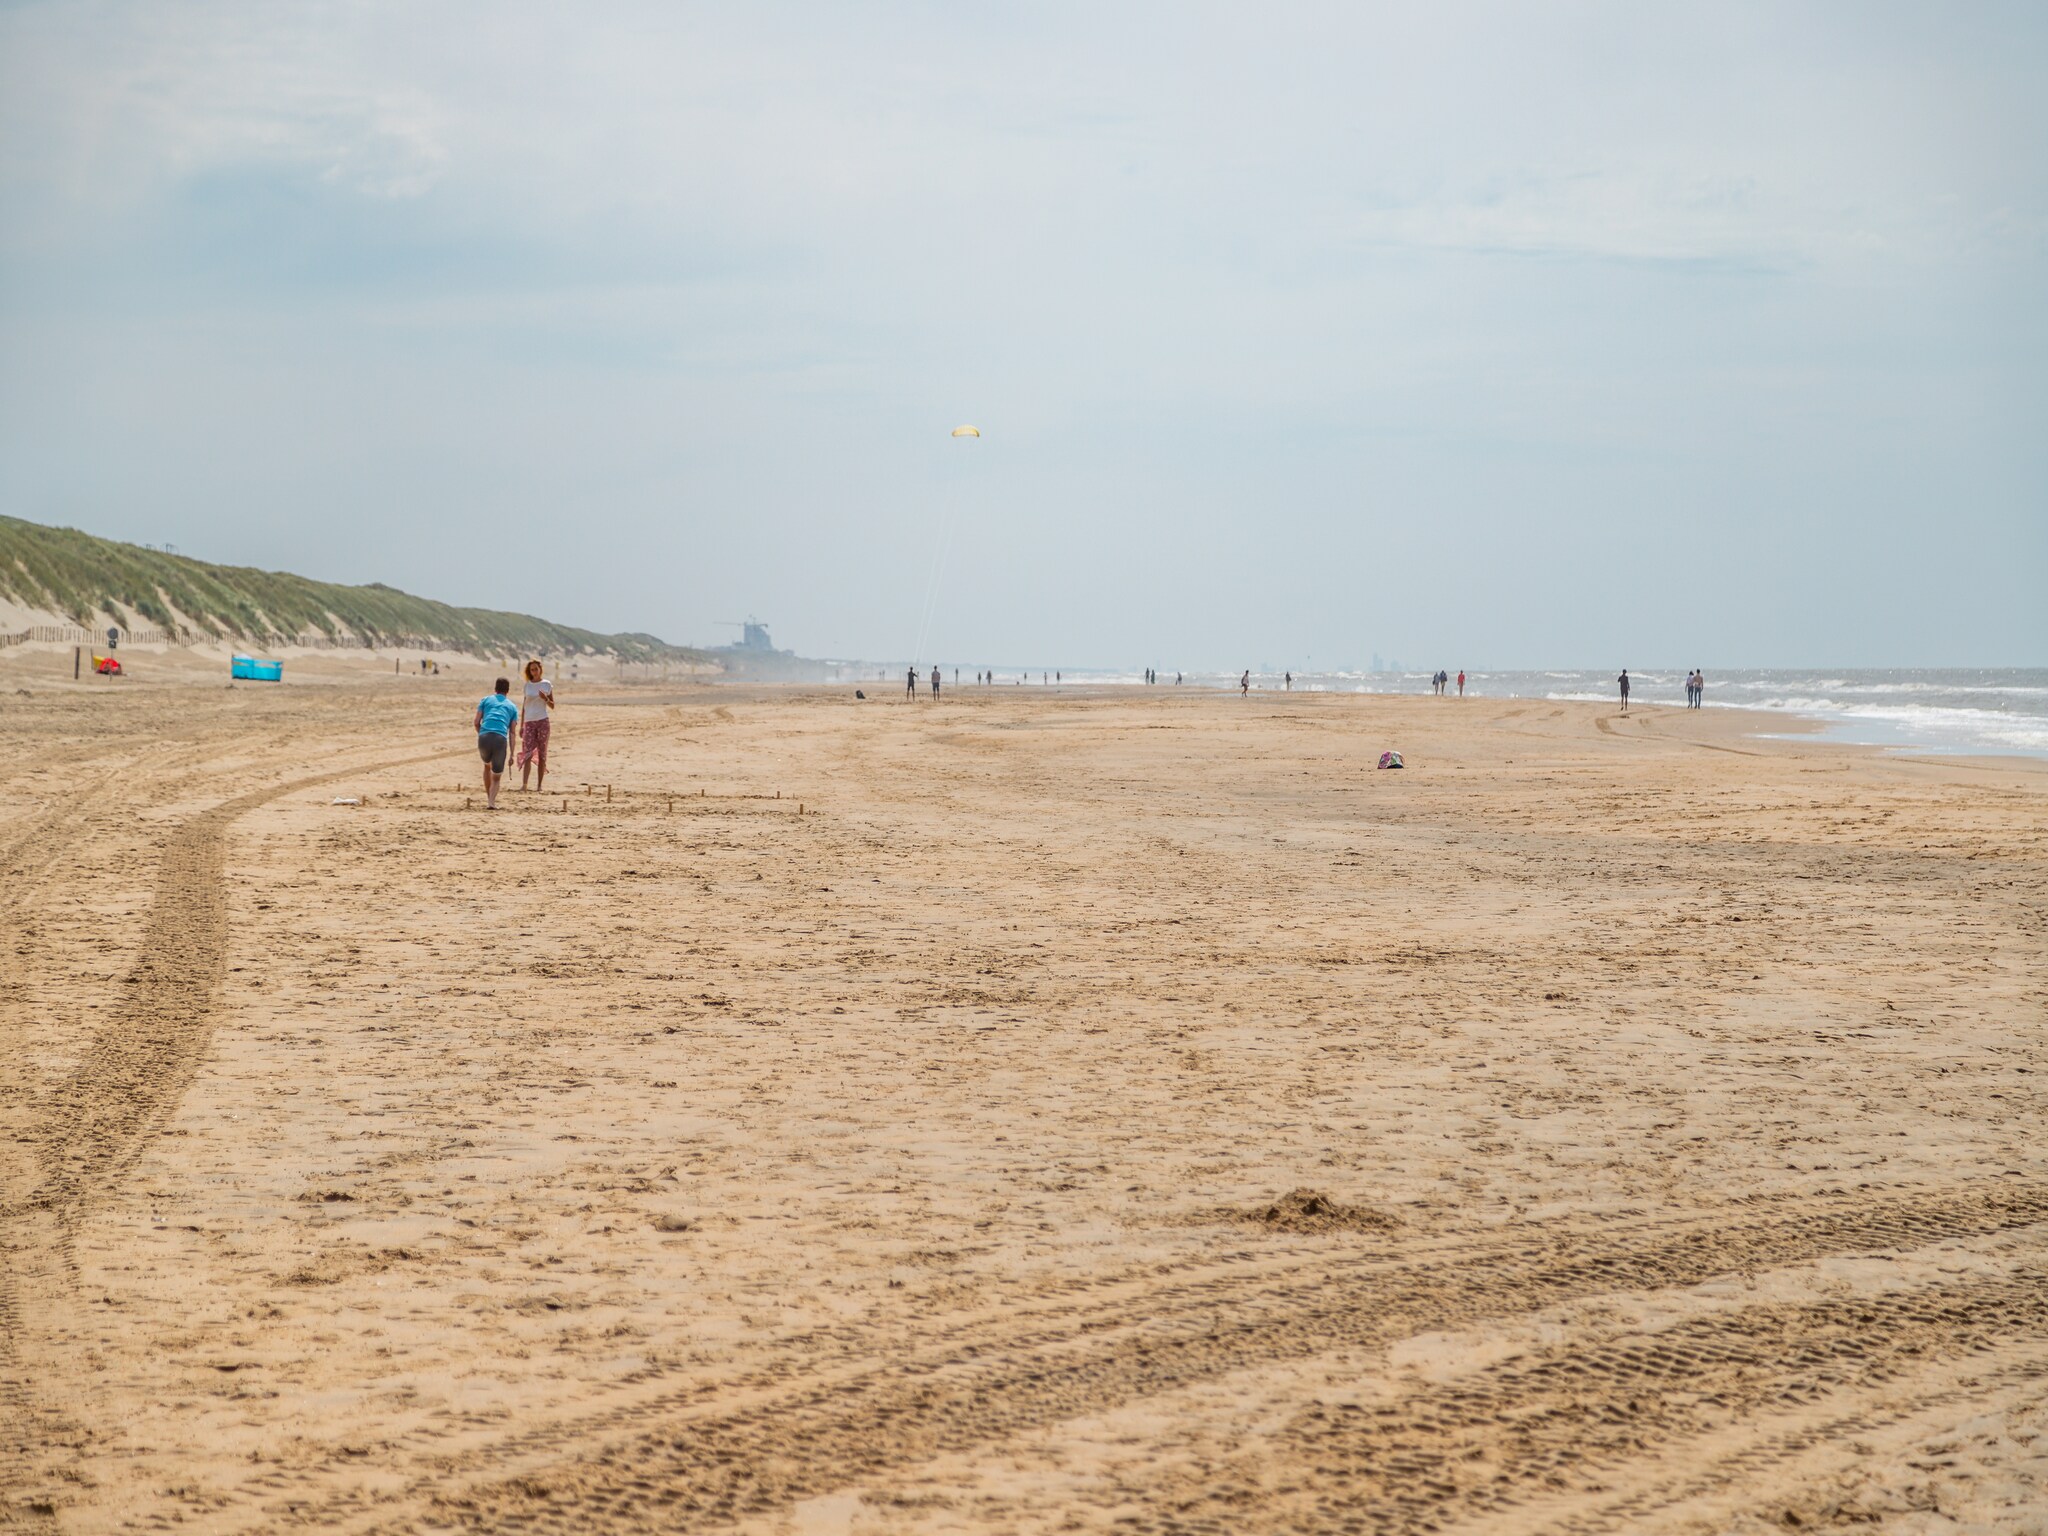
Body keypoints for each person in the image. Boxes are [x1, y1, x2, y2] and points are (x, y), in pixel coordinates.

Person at [474, 677, 519, 810]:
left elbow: (476, 722)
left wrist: (482, 734)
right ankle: (491, 803)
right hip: (500, 739)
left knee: (487, 766)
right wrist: (511, 754)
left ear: (495, 689)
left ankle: (489, 797)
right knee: (497, 776)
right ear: (508, 691)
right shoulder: (512, 707)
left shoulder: (485, 700)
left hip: (484, 737)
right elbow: (512, 732)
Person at [518, 658, 554, 791]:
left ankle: (539, 785)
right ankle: (525, 785)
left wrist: (545, 698)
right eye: (532, 670)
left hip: (542, 720)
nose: (534, 672)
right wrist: (521, 725)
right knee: (527, 753)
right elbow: (524, 706)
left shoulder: (546, 684)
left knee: (542, 753)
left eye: (536, 669)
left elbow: (552, 705)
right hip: (529, 721)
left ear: (540, 670)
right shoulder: (527, 685)